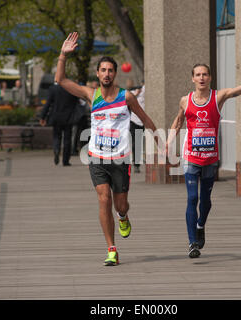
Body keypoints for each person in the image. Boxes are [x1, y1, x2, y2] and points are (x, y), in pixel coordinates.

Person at [55, 32, 162, 266]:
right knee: (103, 199)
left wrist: (161, 144)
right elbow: (61, 81)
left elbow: (146, 120)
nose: (106, 74)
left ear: (115, 74)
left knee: (119, 204)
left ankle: (123, 216)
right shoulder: (91, 95)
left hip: (120, 160)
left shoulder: (127, 97)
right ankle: (111, 248)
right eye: (102, 70)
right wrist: (63, 55)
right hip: (97, 158)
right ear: (97, 74)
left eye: (110, 70)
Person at [166, 51, 241, 258]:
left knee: (206, 200)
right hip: (191, 156)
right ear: (192, 78)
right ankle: (192, 242)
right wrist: (168, 141)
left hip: (210, 158)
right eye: (198, 75)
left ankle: (201, 225)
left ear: (210, 78)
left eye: (205, 74)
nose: (201, 78)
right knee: (192, 198)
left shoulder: (218, 97)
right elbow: (178, 121)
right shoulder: (185, 100)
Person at [40, 82, 78, 166]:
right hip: (68, 117)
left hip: (56, 117)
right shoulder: (71, 89)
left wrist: (43, 117)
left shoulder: (53, 89)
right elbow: (76, 102)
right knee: (67, 139)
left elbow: (48, 104)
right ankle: (65, 160)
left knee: (56, 136)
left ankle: (56, 150)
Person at [129, 84, 145, 173]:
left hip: (143, 121)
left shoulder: (144, 91)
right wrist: (135, 94)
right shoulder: (131, 94)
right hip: (134, 121)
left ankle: (137, 161)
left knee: (140, 143)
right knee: (136, 143)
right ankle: (136, 164)